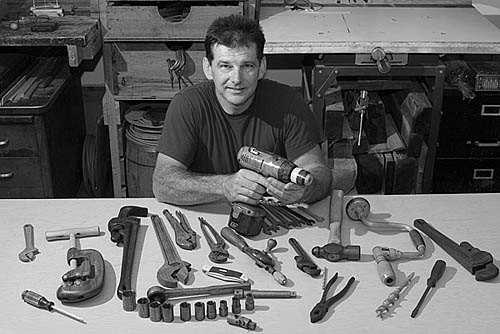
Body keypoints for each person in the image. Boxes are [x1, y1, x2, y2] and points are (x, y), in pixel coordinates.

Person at [153, 14, 332, 206]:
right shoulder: (187, 105)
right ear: (208, 67)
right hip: (210, 214)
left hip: (273, 215)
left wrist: (305, 191)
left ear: (261, 67)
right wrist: (223, 186)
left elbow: (319, 173)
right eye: (225, 66)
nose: (236, 79)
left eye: (247, 66)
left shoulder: (289, 103)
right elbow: (162, 183)